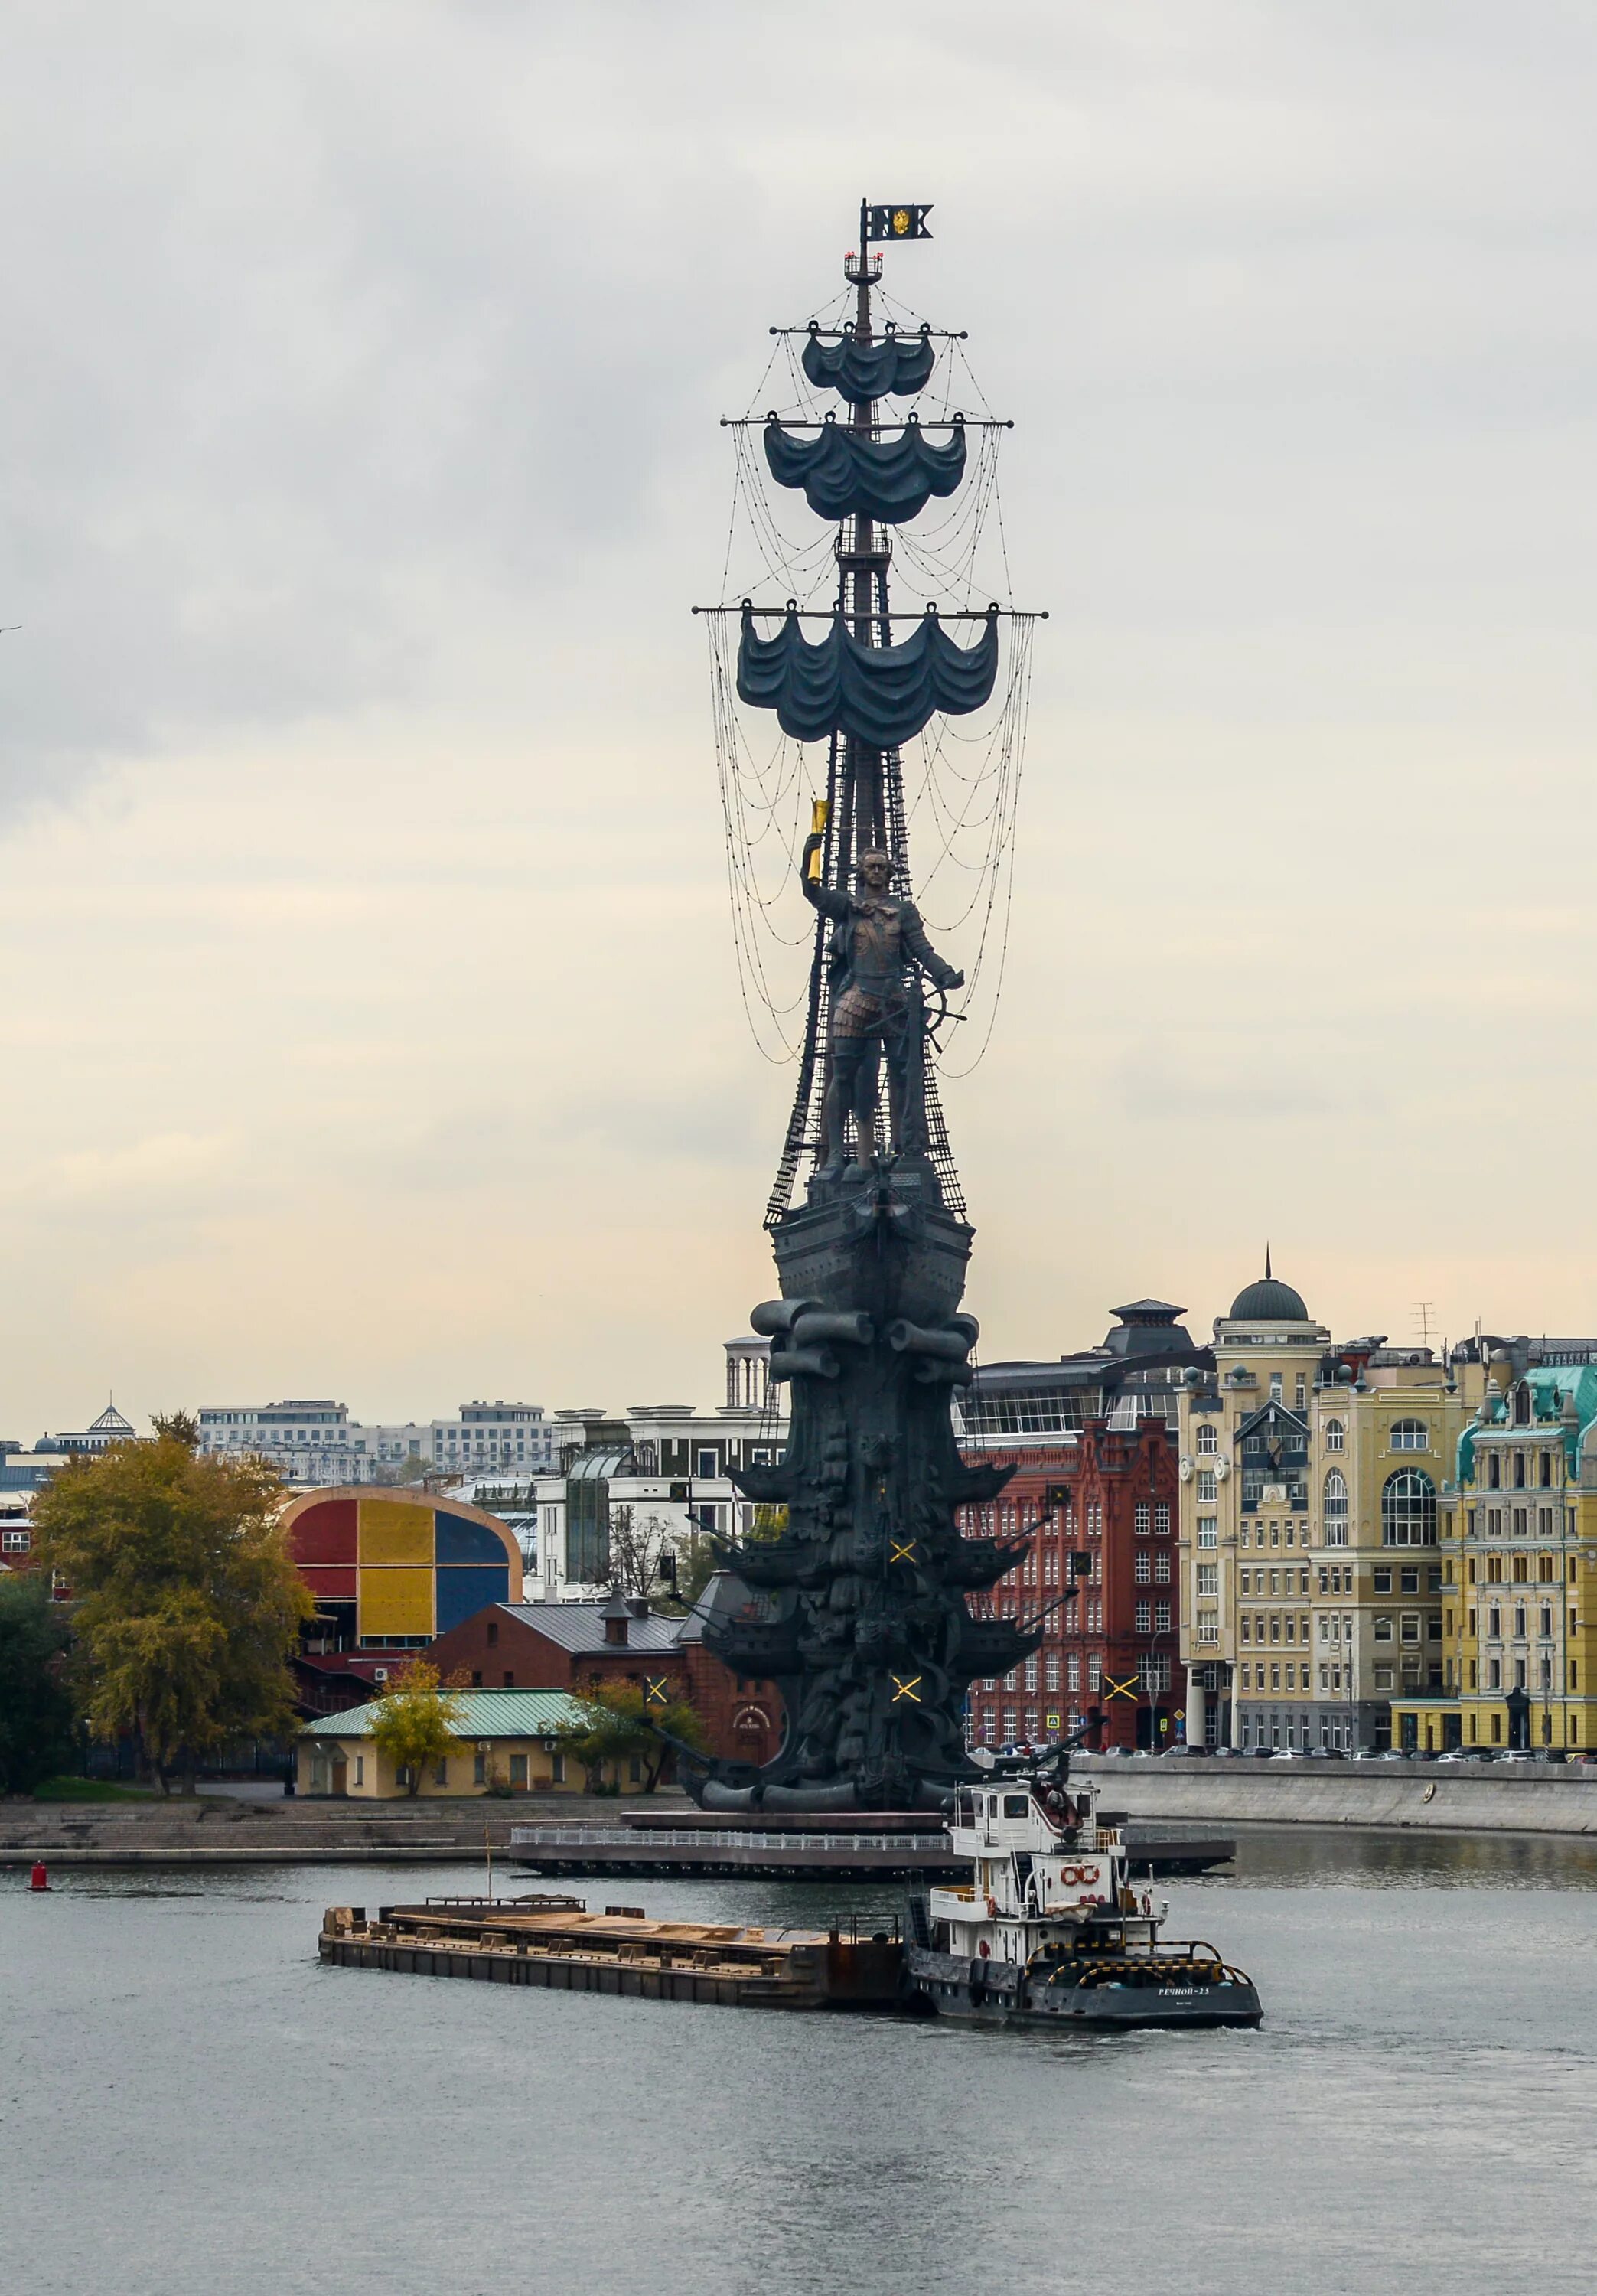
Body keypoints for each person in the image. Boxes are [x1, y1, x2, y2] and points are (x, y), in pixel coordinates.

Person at [800, 835, 963, 1170]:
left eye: (882, 867)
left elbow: (922, 949)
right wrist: (810, 857)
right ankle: (833, 1155)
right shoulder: (848, 907)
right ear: (861, 872)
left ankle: (908, 1151)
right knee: (842, 1074)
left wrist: (945, 974)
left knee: (906, 1071)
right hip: (857, 996)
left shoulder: (903, 912)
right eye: (870, 867)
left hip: (893, 998)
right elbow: (813, 894)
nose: (876, 872)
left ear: (890, 872)